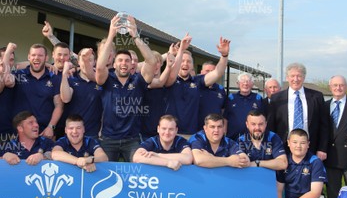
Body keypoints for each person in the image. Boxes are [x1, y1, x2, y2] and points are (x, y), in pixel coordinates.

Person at [95, 14, 156, 162]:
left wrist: (135, 36)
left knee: (137, 169)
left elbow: (152, 61)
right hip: (108, 139)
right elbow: (100, 66)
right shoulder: (107, 78)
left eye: (127, 61)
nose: (124, 63)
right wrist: (111, 35)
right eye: (120, 60)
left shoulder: (138, 80)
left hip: (132, 140)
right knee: (104, 172)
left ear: (131, 64)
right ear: (114, 64)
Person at [165, 34, 230, 137]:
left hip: (192, 134)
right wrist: (181, 49)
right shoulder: (169, 79)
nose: (185, 64)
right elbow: (172, 75)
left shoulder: (197, 81)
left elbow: (218, 72)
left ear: (192, 66)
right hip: (170, 134)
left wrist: (224, 56)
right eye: (182, 61)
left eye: (189, 62)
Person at [267, 63, 329, 159]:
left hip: (311, 148)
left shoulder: (317, 97)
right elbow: (271, 125)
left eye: (299, 76)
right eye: (292, 76)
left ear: (304, 77)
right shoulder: (276, 99)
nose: (295, 79)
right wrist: (272, 147)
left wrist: (322, 148)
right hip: (283, 149)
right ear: (287, 78)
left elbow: (324, 125)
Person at [9, 44, 64, 139]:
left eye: (40, 55)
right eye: (33, 55)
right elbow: (8, 66)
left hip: (45, 133)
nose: (36, 58)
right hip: (20, 133)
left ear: (46, 58)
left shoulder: (55, 78)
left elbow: (59, 105)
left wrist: (51, 127)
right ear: (28, 57)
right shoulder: (17, 75)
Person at [60, 49, 102, 138]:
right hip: (73, 134)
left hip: (93, 134)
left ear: (95, 62)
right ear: (78, 61)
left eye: (90, 60)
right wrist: (64, 74)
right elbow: (66, 98)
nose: (86, 62)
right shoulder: (71, 79)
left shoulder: (101, 81)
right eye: (83, 59)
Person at [224, 73, 266, 140]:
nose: (245, 84)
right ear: (238, 84)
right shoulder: (231, 98)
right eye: (242, 81)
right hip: (232, 139)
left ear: (252, 84)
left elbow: (263, 119)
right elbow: (225, 118)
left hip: (252, 139)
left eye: (248, 81)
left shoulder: (258, 98)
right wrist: (224, 134)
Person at [197, 61, 227, 132]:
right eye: (207, 71)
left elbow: (223, 110)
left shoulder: (221, 89)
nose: (210, 73)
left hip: (215, 131)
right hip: (196, 129)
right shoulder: (195, 87)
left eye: (212, 71)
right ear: (201, 72)